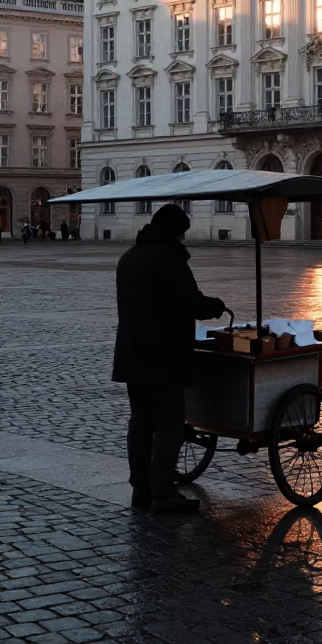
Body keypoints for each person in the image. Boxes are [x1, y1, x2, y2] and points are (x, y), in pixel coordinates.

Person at [113, 203, 225, 514]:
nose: (183, 240)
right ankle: (163, 493)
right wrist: (215, 305)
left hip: (132, 352)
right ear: (175, 231)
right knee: (169, 423)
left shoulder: (128, 258)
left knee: (140, 422)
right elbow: (190, 302)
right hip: (163, 355)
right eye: (182, 234)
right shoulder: (170, 259)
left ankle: (141, 490)